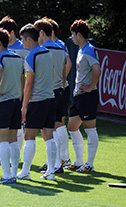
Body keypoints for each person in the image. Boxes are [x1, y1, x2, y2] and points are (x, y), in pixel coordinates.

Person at [16, 23, 57, 181]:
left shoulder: (31, 56)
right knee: (49, 135)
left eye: (22, 39)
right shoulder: (48, 53)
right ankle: (51, 171)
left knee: (29, 136)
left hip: (37, 100)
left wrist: (24, 106)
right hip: (50, 98)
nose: (22, 42)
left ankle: (25, 171)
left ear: (27, 39)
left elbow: (28, 83)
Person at [0, 28, 23, 184]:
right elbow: (23, 78)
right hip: (16, 101)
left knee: (2, 140)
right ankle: (13, 173)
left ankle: (7, 175)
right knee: (13, 139)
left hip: (3, 103)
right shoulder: (17, 57)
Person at [66, 19, 100, 173]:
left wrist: (92, 86)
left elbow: (97, 69)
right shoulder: (81, 49)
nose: (71, 37)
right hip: (78, 95)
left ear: (78, 34)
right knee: (72, 127)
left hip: (88, 95)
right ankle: (79, 161)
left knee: (90, 129)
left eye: (73, 34)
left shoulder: (89, 50)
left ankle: (89, 164)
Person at [0, 16, 28, 158]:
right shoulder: (2, 49)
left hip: (21, 92)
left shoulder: (24, 47)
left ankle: (15, 157)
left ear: (12, 32)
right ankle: (4, 156)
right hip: (5, 93)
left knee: (19, 127)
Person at [47, 18, 72, 168]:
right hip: (62, 88)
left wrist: (60, 80)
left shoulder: (55, 45)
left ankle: (62, 159)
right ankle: (63, 159)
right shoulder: (61, 44)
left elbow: (68, 64)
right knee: (59, 123)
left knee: (54, 124)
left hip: (54, 88)